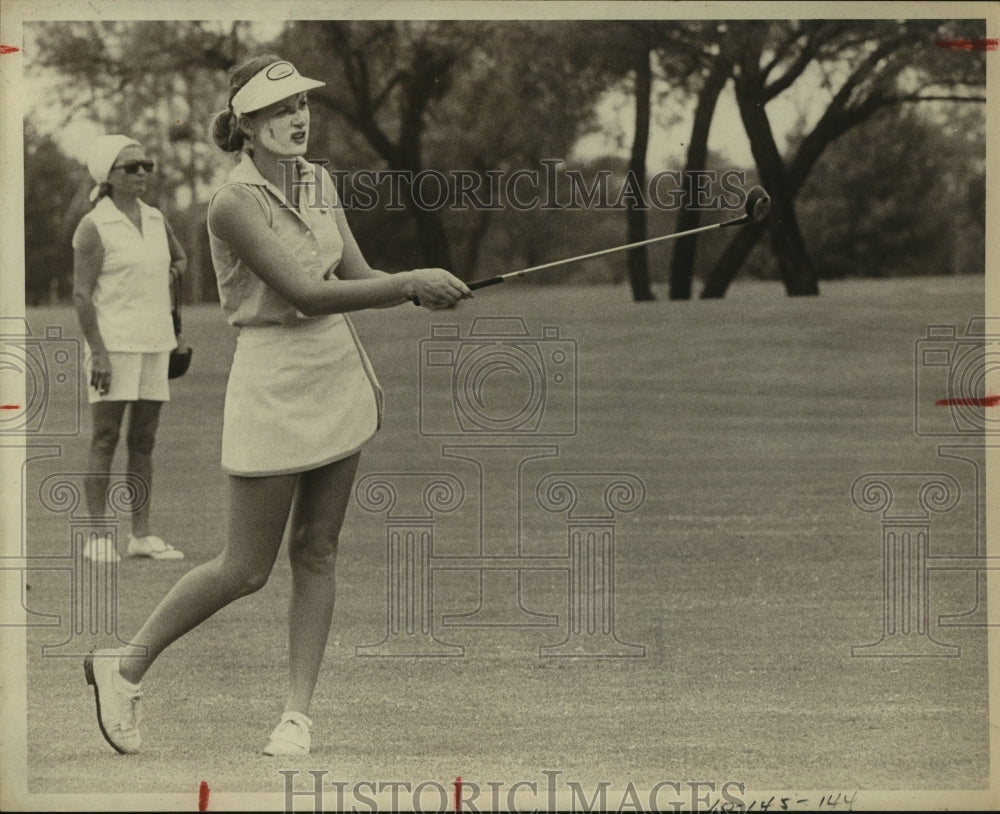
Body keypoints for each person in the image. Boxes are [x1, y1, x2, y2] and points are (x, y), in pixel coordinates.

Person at [83, 55, 472, 757]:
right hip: (272, 379)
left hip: (336, 372)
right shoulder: (232, 202)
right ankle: (124, 665)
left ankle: (296, 716)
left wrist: (424, 285)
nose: (296, 118)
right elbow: (305, 293)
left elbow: (355, 276)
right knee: (246, 566)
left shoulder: (319, 181)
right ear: (246, 126)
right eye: (276, 110)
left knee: (317, 551)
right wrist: (409, 283)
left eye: (300, 106)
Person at [73, 134, 187, 563]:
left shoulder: (156, 219)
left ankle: (141, 534)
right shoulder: (94, 226)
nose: (142, 173)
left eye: (146, 165)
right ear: (109, 177)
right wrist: (98, 352)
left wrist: (172, 272)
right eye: (132, 167)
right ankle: (98, 536)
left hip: (156, 342)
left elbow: (180, 259)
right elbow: (82, 296)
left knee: (144, 440)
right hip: (112, 346)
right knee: (105, 438)